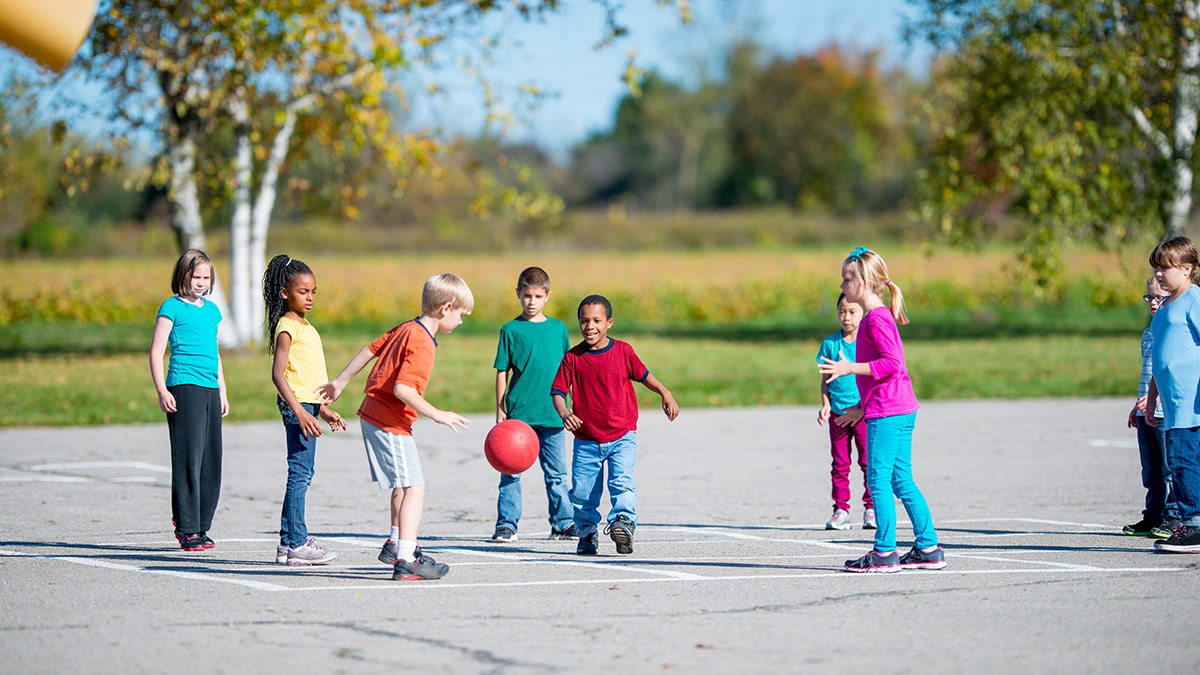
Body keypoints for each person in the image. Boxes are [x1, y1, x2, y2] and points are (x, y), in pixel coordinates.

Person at [317, 273, 473, 580]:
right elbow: (404, 390)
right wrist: (437, 414)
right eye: (461, 315)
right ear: (446, 308)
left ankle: (395, 542)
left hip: (375, 416)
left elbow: (369, 349)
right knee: (415, 487)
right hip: (389, 420)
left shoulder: (407, 327)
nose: (461, 321)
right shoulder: (423, 343)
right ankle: (405, 559)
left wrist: (340, 381)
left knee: (405, 484)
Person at [818, 246, 945, 573]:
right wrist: (861, 404)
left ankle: (885, 552)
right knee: (901, 479)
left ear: (865, 281)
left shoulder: (875, 319)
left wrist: (849, 368)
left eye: (848, 278)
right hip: (897, 407)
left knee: (878, 480)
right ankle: (928, 548)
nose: (843, 284)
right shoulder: (876, 317)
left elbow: (892, 364)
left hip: (889, 412)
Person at [552, 294, 680, 556]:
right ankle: (587, 534)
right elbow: (557, 391)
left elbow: (645, 376)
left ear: (609, 322)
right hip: (587, 440)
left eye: (597, 320)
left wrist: (665, 393)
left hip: (622, 436)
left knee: (621, 482)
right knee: (583, 493)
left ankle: (623, 523)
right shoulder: (572, 358)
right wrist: (564, 412)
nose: (590, 326)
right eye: (584, 321)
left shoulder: (623, 351)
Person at [263, 254, 347, 566]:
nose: (309, 297)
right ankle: (297, 542)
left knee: (302, 472)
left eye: (313, 292)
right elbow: (278, 374)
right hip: (296, 406)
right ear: (285, 293)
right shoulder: (287, 326)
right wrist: (300, 412)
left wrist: (322, 409)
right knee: (300, 473)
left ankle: (288, 544)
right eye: (303, 292)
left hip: (307, 405)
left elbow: (306, 375)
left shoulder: (305, 325)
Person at [149, 249, 228, 552]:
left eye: (206, 277)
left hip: (209, 388)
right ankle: (186, 527)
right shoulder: (172, 307)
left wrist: (223, 391)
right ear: (182, 276)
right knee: (189, 459)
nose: (200, 282)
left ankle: (201, 524)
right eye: (195, 276)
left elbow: (216, 354)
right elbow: (157, 352)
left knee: (211, 460)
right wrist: (162, 390)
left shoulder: (211, 311)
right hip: (184, 386)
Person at [491, 266, 575, 543]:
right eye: (527, 295)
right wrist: (500, 407)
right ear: (518, 294)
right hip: (519, 415)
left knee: (557, 475)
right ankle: (507, 525)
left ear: (547, 296)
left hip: (552, 414)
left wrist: (572, 403)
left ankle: (562, 524)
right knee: (511, 473)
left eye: (538, 296)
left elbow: (568, 369)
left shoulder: (558, 329)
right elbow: (502, 371)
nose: (531, 301)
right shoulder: (510, 330)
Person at [1145, 236, 1200, 553]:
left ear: (1187, 269)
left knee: (1183, 462)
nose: (1160, 274)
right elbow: (1161, 361)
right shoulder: (1164, 309)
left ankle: (1193, 525)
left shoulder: (1193, 300)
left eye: (1166, 268)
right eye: (1157, 268)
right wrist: (1152, 398)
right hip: (1172, 404)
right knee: (1180, 462)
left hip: (1191, 403)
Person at [1123, 275, 1179, 539]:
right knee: (1152, 470)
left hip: (1166, 412)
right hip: (1147, 412)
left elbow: (1171, 372)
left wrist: (1156, 399)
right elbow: (1147, 374)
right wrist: (1140, 405)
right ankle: (1153, 515)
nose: (1154, 303)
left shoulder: (1173, 331)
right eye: (1150, 298)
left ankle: (1174, 516)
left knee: (1170, 469)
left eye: (1160, 297)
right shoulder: (1149, 333)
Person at [816, 293, 875, 531]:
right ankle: (841, 510)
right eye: (842, 311)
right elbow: (825, 380)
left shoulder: (867, 343)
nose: (846, 317)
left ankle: (871, 509)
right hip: (838, 414)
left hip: (862, 413)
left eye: (852, 312)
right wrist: (825, 403)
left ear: (862, 313)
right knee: (840, 463)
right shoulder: (830, 344)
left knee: (867, 462)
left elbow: (873, 375)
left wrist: (862, 409)